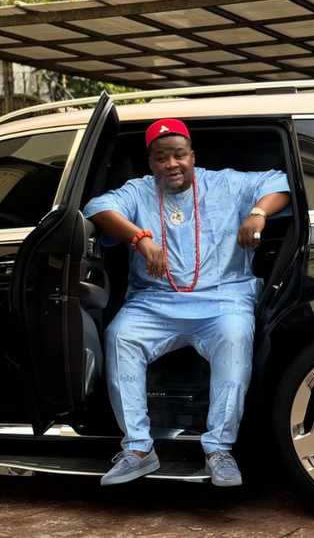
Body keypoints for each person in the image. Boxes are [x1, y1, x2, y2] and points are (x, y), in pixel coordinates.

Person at [83, 118, 290, 487]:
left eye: (179, 155)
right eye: (161, 158)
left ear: (193, 155)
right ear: (151, 163)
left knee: (234, 337)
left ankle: (219, 450)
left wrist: (257, 213)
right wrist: (140, 239)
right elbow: (97, 208)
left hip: (223, 296)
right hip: (155, 300)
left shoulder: (225, 182)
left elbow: (280, 182)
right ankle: (138, 449)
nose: (171, 164)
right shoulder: (139, 190)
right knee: (119, 336)